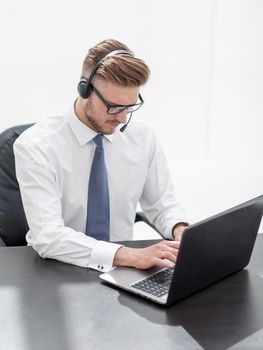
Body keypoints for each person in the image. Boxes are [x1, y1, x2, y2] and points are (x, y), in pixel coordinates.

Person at [14, 39, 189, 272]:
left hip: (124, 271)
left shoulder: (142, 136)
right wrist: (129, 255)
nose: (122, 118)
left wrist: (182, 230)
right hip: (57, 271)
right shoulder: (36, 146)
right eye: (114, 106)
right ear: (85, 89)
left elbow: (161, 204)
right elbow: (49, 237)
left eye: (130, 106)